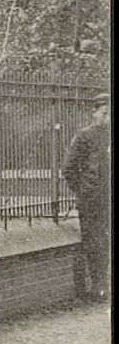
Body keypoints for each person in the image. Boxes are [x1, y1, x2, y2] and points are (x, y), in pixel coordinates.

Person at [63, 93, 111, 302]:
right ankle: (98, 287)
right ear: (94, 112)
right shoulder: (84, 136)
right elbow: (69, 168)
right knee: (95, 243)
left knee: (105, 242)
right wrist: (85, 190)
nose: (108, 119)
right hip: (92, 200)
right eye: (105, 113)